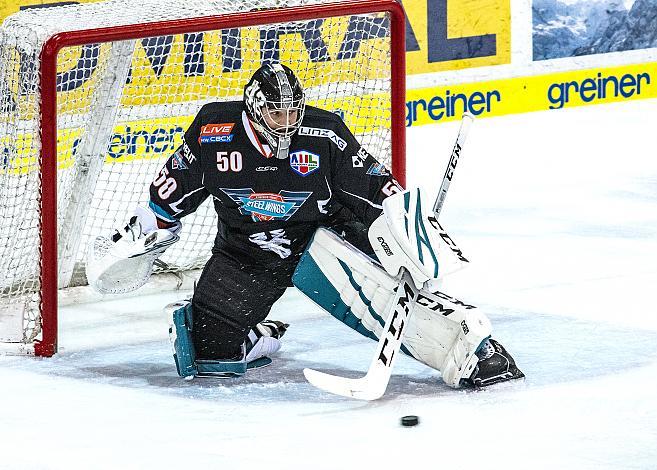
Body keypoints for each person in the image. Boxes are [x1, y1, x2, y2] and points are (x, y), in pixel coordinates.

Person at [106, 63, 523, 384]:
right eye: (276, 114)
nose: (286, 123)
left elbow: (378, 190)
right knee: (210, 354)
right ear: (254, 110)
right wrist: (143, 236)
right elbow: (168, 197)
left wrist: (410, 236)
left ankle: (473, 349)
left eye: (292, 112)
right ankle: (256, 335)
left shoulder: (324, 135)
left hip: (324, 237)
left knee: (390, 294)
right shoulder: (215, 133)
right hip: (247, 251)